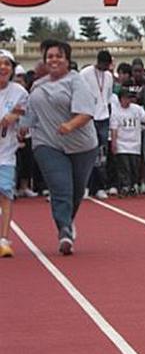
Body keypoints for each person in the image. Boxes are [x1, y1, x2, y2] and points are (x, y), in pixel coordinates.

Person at [20, 40, 98, 255]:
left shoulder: (76, 82)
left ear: (67, 60)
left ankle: (67, 221)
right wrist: (23, 127)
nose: (53, 60)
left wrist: (70, 125)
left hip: (81, 145)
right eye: (49, 56)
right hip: (47, 143)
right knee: (60, 186)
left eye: (58, 56)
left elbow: (85, 113)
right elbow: (30, 111)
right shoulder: (38, 85)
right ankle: (64, 231)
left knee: (76, 190)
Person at [0, 50, 28, 257]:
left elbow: (26, 113)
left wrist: (17, 117)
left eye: (7, 64)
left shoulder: (19, 91)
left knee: (5, 195)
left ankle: (4, 240)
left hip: (6, 154)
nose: (3, 68)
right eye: (0, 64)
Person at [80, 50, 115, 200]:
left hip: (103, 118)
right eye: (106, 64)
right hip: (90, 117)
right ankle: (85, 186)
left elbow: (107, 97)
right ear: (99, 62)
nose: (107, 67)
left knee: (101, 156)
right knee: (88, 153)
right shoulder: (85, 73)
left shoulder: (109, 76)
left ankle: (100, 187)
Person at [110, 88, 145, 196]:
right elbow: (114, 128)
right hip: (122, 143)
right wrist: (114, 143)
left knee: (134, 166)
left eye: (129, 98)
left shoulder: (136, 109)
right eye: (126, 98)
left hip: (135, 143)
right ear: (120, 99)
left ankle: (133, 185)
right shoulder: (116, 111)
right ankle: (125, 185)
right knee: (124, 166)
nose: (128, 100)